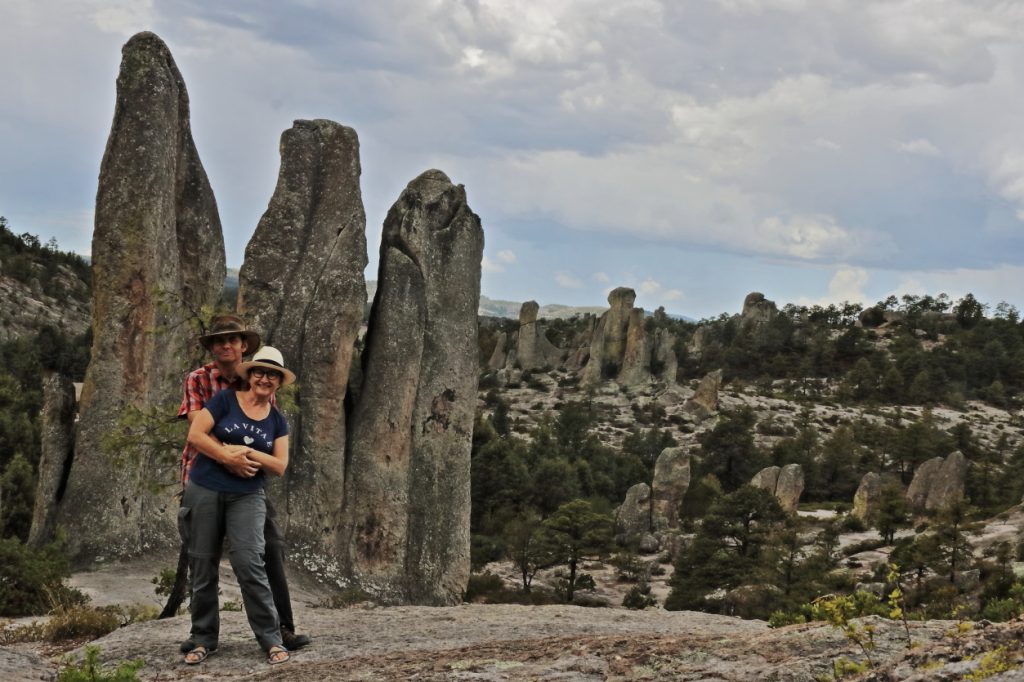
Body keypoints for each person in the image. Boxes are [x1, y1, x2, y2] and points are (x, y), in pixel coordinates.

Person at [176, 316, 309, 651]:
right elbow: (199, 431)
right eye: (219, 340)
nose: (226, 346)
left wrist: (244, 459)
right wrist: (228, 458)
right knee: (201, 557)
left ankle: (281, 629)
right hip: (204, 474)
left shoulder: (261, 382)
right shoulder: (200, 380)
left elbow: (269, 437)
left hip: (248, 483)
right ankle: (202, 635)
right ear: (211, 347)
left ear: (244, 346)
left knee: (268, 551)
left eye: (233, 340)